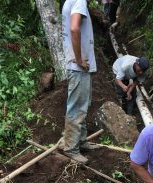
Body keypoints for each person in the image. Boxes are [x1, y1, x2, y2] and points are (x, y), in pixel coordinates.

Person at [61, 0, 97, 164]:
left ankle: (81, 141)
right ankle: (71, 148)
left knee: (82, 105)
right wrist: (79, 60)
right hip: (78, 67)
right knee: (77, 107)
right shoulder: (80, 1)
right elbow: (74, 28)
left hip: (79, 68)